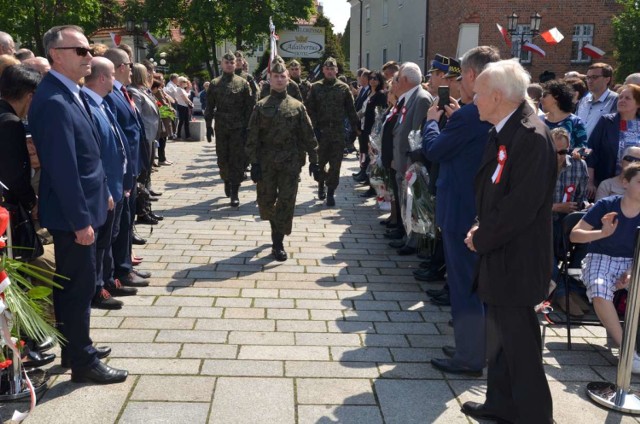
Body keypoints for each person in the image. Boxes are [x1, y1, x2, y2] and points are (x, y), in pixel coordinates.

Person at [28, 25, 127, 384]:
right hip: (74, 215)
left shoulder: (71, 93)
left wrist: (103, 191)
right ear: (56, 55)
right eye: (81, 50)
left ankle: (75, 348)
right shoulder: (54, 100)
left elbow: (90, 156)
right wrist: (80, 220)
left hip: (87, 204)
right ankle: (82, 362)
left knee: (76, 284)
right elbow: (64, 167)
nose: (89, 56)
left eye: (89, 50)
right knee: (78, 285)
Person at [463, 59, 555, 423]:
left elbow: (521, 206)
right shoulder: (504, 130)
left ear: (498, 96)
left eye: (478, 95)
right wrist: (478, 226)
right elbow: (491, 190)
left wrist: (481, 236)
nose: (474, 102)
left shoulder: (530, 136)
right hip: (499, 255)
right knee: (499, 342)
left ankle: (535, 416)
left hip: (518, 260)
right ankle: (500, 404)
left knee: (521, 347)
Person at [422, 45, 499, 378]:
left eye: (461, 75)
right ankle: (473, 347)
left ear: (470, 75)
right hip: (476, 206)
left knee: (463, 284)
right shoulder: (480, 112)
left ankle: (469, 357)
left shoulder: (470, 114)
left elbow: (435, 150)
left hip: (459, 209)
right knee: (471, 283)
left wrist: (431, 124)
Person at [246, 59, 319, 261]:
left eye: (282, 76)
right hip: (267, 162)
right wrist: (254, 163)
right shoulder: (261, 106)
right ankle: (274, 230)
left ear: (288, 80)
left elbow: (308, 135)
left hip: (290, 163)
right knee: (267, 203)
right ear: (269, 79)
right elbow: (252, 136)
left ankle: (277, 243)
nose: (279, 79)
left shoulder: (297, 107)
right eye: (275, 76)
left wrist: (315, 160)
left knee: (286, 203)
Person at [570, 162, 640, 371]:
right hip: (599, 257)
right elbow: (575, 235)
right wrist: (602, 233)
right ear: (625, 183)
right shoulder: (607, 205)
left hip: (633, 261)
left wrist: (631, 271)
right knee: (600, 290)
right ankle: (627, 352)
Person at [81, 57, 133, 310]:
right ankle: (97, 288)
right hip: (103, 188)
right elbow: (94, 154)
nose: (116, 79)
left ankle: (107, 280)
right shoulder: (88, 106)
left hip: (114, 183)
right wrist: (105, 187)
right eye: (112, 74)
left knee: (109, 239)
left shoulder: (101, 104)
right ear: (102, 78)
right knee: (101, 243)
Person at [103, 47, 150, 288]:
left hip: (132, 167)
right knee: (120, 225)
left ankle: (125, 266)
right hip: (122, 170)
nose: (132, 69)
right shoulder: (110, 95)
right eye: (129, 65)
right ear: (121, 67)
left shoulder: (122, 92)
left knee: (127, 220)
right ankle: (121, 270)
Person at [305, 57, 359, 206]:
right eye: (327, 69)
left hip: (337, 131)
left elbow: (350, 110)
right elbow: (310, 109)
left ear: (336, 70)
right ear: (323, 70)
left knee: (335, 165)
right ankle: (321, 184)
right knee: (320, 163)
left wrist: (356, 128)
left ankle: (330, 192)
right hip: (321, 131)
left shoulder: (343, 88)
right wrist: (314, 128)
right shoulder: (315, 87)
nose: (329, 71)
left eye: (332, 68)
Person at [204, 51, 254, 207]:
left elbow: (249, 107)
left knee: (237, 160)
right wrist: (208, 126)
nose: (230, 65)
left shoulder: (243, 83)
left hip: (238, 128)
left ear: (235, 64)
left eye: (232, 62)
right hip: (221, 127)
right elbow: (210, 106)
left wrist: (249, 127)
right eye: (227, 62)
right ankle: (226, 179)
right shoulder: (215, 83)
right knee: (222, 159)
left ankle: (235, 191)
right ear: (221, 64)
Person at [586, 84, 640, 196]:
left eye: (627, 98)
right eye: (620, 97)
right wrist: (590, 182)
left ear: (638, 103)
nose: (622, 100)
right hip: (609, 185)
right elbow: (591, 151)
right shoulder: (606, 121)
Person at [541, 80, 588, 148]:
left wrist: (577, 155)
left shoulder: (575, 121)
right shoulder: (539, 120)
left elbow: (584, 149)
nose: (541, 99)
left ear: (556, 96)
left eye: (544, 95)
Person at [576, 62, 618, 138]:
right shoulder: (583, 100)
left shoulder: (616, 100)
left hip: (600, 148)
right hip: (579, 148)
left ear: (607, 79)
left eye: (594, 77)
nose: (590, 81)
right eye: (588, 78)